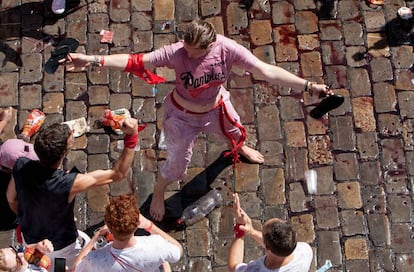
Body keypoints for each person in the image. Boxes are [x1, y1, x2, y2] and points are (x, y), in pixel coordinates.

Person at [67, 19, 333, 221]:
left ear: (209, 46)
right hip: (181, 118)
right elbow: (136, 61)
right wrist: (92, 60)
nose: (187, 55)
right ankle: (159, 192)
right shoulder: (177, 52)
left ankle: (237, 148)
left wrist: (308, 85)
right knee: (176, 167)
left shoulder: (226, 49)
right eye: (185, 48)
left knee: (238, 135)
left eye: (194, 52)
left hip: (216, 108)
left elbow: (266, 71)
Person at [6, 117, 140, 271]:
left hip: (29, 240)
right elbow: (117, 174)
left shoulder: (20, 165)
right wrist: (132, 135)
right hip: (62, 246)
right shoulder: (68, 183)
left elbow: (11, 200)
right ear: (63, 155)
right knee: (69, 266)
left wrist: (31, 216)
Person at [72, 194, 183, 271]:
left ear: (108, 227)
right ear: (136, 225)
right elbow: (178, 250)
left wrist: (95, 238)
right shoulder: (157, 245)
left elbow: (75, 267)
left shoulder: (95, 259)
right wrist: (150, 226)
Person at [228, 193, 313, 272]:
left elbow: (233, 267)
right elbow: (277, 245)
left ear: (266, 247)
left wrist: (240, 227)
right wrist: (251, 231)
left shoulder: (255, 269)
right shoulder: (305, 251)